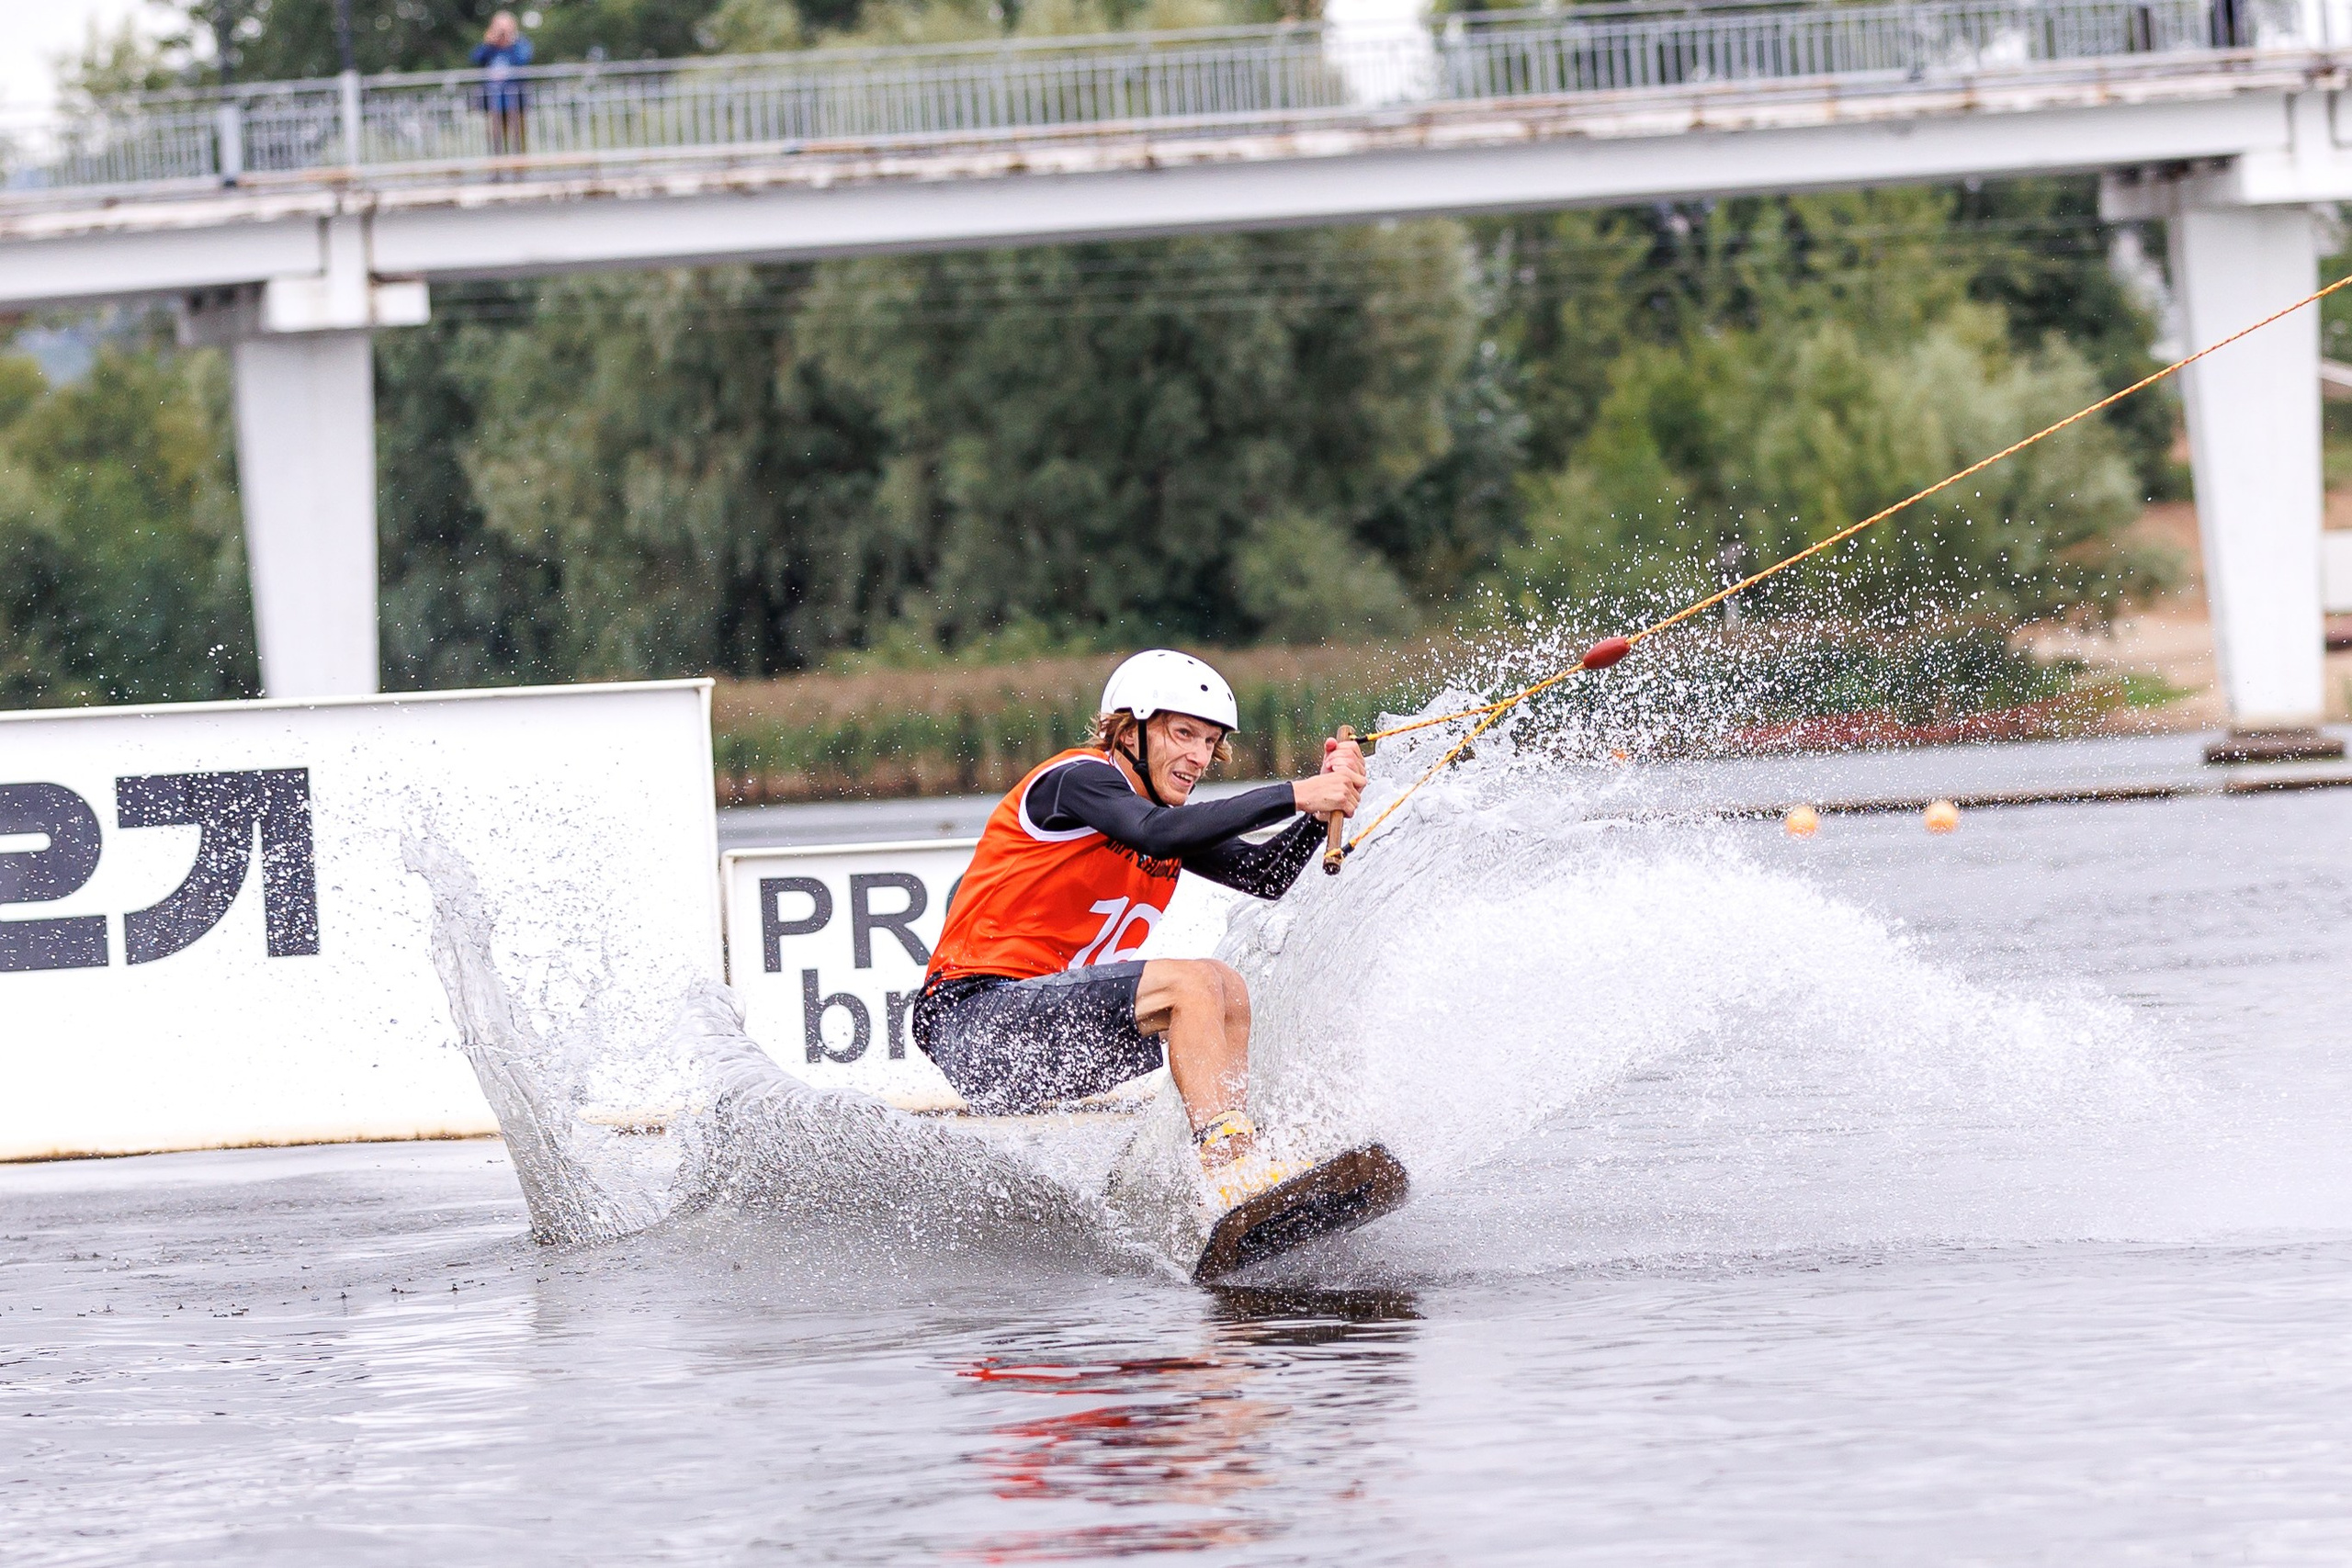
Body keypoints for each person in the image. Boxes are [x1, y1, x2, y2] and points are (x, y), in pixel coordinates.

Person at [913, 650, 1368, 1204]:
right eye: (1183, 734)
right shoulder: (1076, 779)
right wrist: (1294, 793)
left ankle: (1229, 1183)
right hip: (971, 1025)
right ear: (1130, 731)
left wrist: (1318, 813)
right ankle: (1231, 1172)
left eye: (1209, 742)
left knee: (1228, 990)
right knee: (1192, 983)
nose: (1198, 757)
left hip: (1048, 1044)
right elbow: (1155, 832)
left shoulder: (1163, 816)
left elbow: (1264, 874)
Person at [471, 12, 534, 157]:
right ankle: (496, 170)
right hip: (494, 101)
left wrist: (510, 43)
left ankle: (519, 171)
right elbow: (476, 58)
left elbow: (523, 60)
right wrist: (489, 43)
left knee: (518, 138)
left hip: (517, 100)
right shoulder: (490, 47)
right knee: (495, 138)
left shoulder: (521, 44)